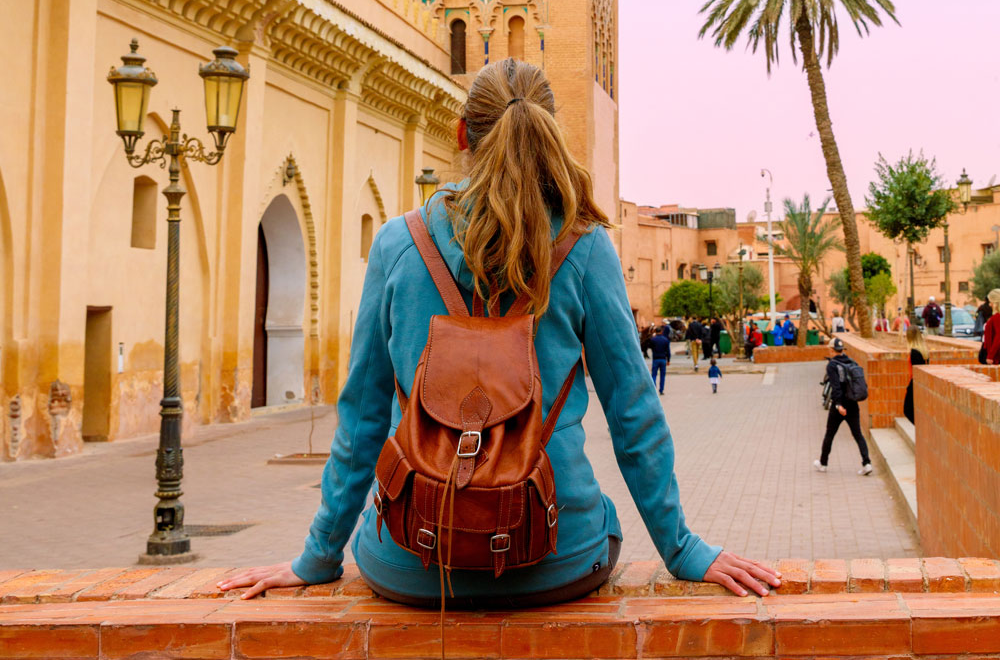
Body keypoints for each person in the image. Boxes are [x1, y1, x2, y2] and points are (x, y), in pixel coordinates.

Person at [218, 59, 779, 605]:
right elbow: (633, 411)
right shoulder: (584, 247)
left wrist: (316, 558)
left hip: (411, 562)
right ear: (550, 133)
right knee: (598, 516)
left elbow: (362, 419)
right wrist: (682, 550)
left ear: (462, 134)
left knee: (380, 518)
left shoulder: (397, 244)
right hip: (556, 559)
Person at [814, 338, 873, 476]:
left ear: (831, 350)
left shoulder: (832, 365)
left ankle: (823, 463)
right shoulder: (852, 362)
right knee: (858, 434)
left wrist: (839, 405)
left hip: (840, 405)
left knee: (830, 434)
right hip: (853, 403)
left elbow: (836, 388)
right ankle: (867, 463)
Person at [902, 326, 928, 424]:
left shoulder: (914, 352)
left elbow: (916, 371)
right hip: (918, 383)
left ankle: (919, 427)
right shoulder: (923, 351)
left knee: (907, 410)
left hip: (914, 383)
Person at [650, 326, 671, 395]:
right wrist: (668, 360)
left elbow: (650, 347)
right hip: (663, 359)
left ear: (655, 332)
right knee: (662, 375)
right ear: (661, 332)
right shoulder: (665, 340)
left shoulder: (653, 340)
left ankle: (653, 389)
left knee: (654, 374)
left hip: (655, 359)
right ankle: (661, 390)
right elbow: (668, 351)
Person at [981, 289, 1000, 365]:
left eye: (990, 302)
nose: (989, 304)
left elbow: (998, 336)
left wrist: (990, 356)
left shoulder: (997, 317)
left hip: (996, 357)